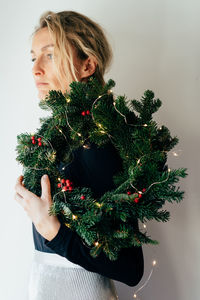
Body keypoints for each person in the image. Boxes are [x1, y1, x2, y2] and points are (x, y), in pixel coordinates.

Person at [14, 10, 144, 300]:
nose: (36, 68)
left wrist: (53, 231)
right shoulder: (61, 139)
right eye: (33, 57)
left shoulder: (96, 143)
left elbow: (130, 268)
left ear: (87, 65)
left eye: (50, 55)